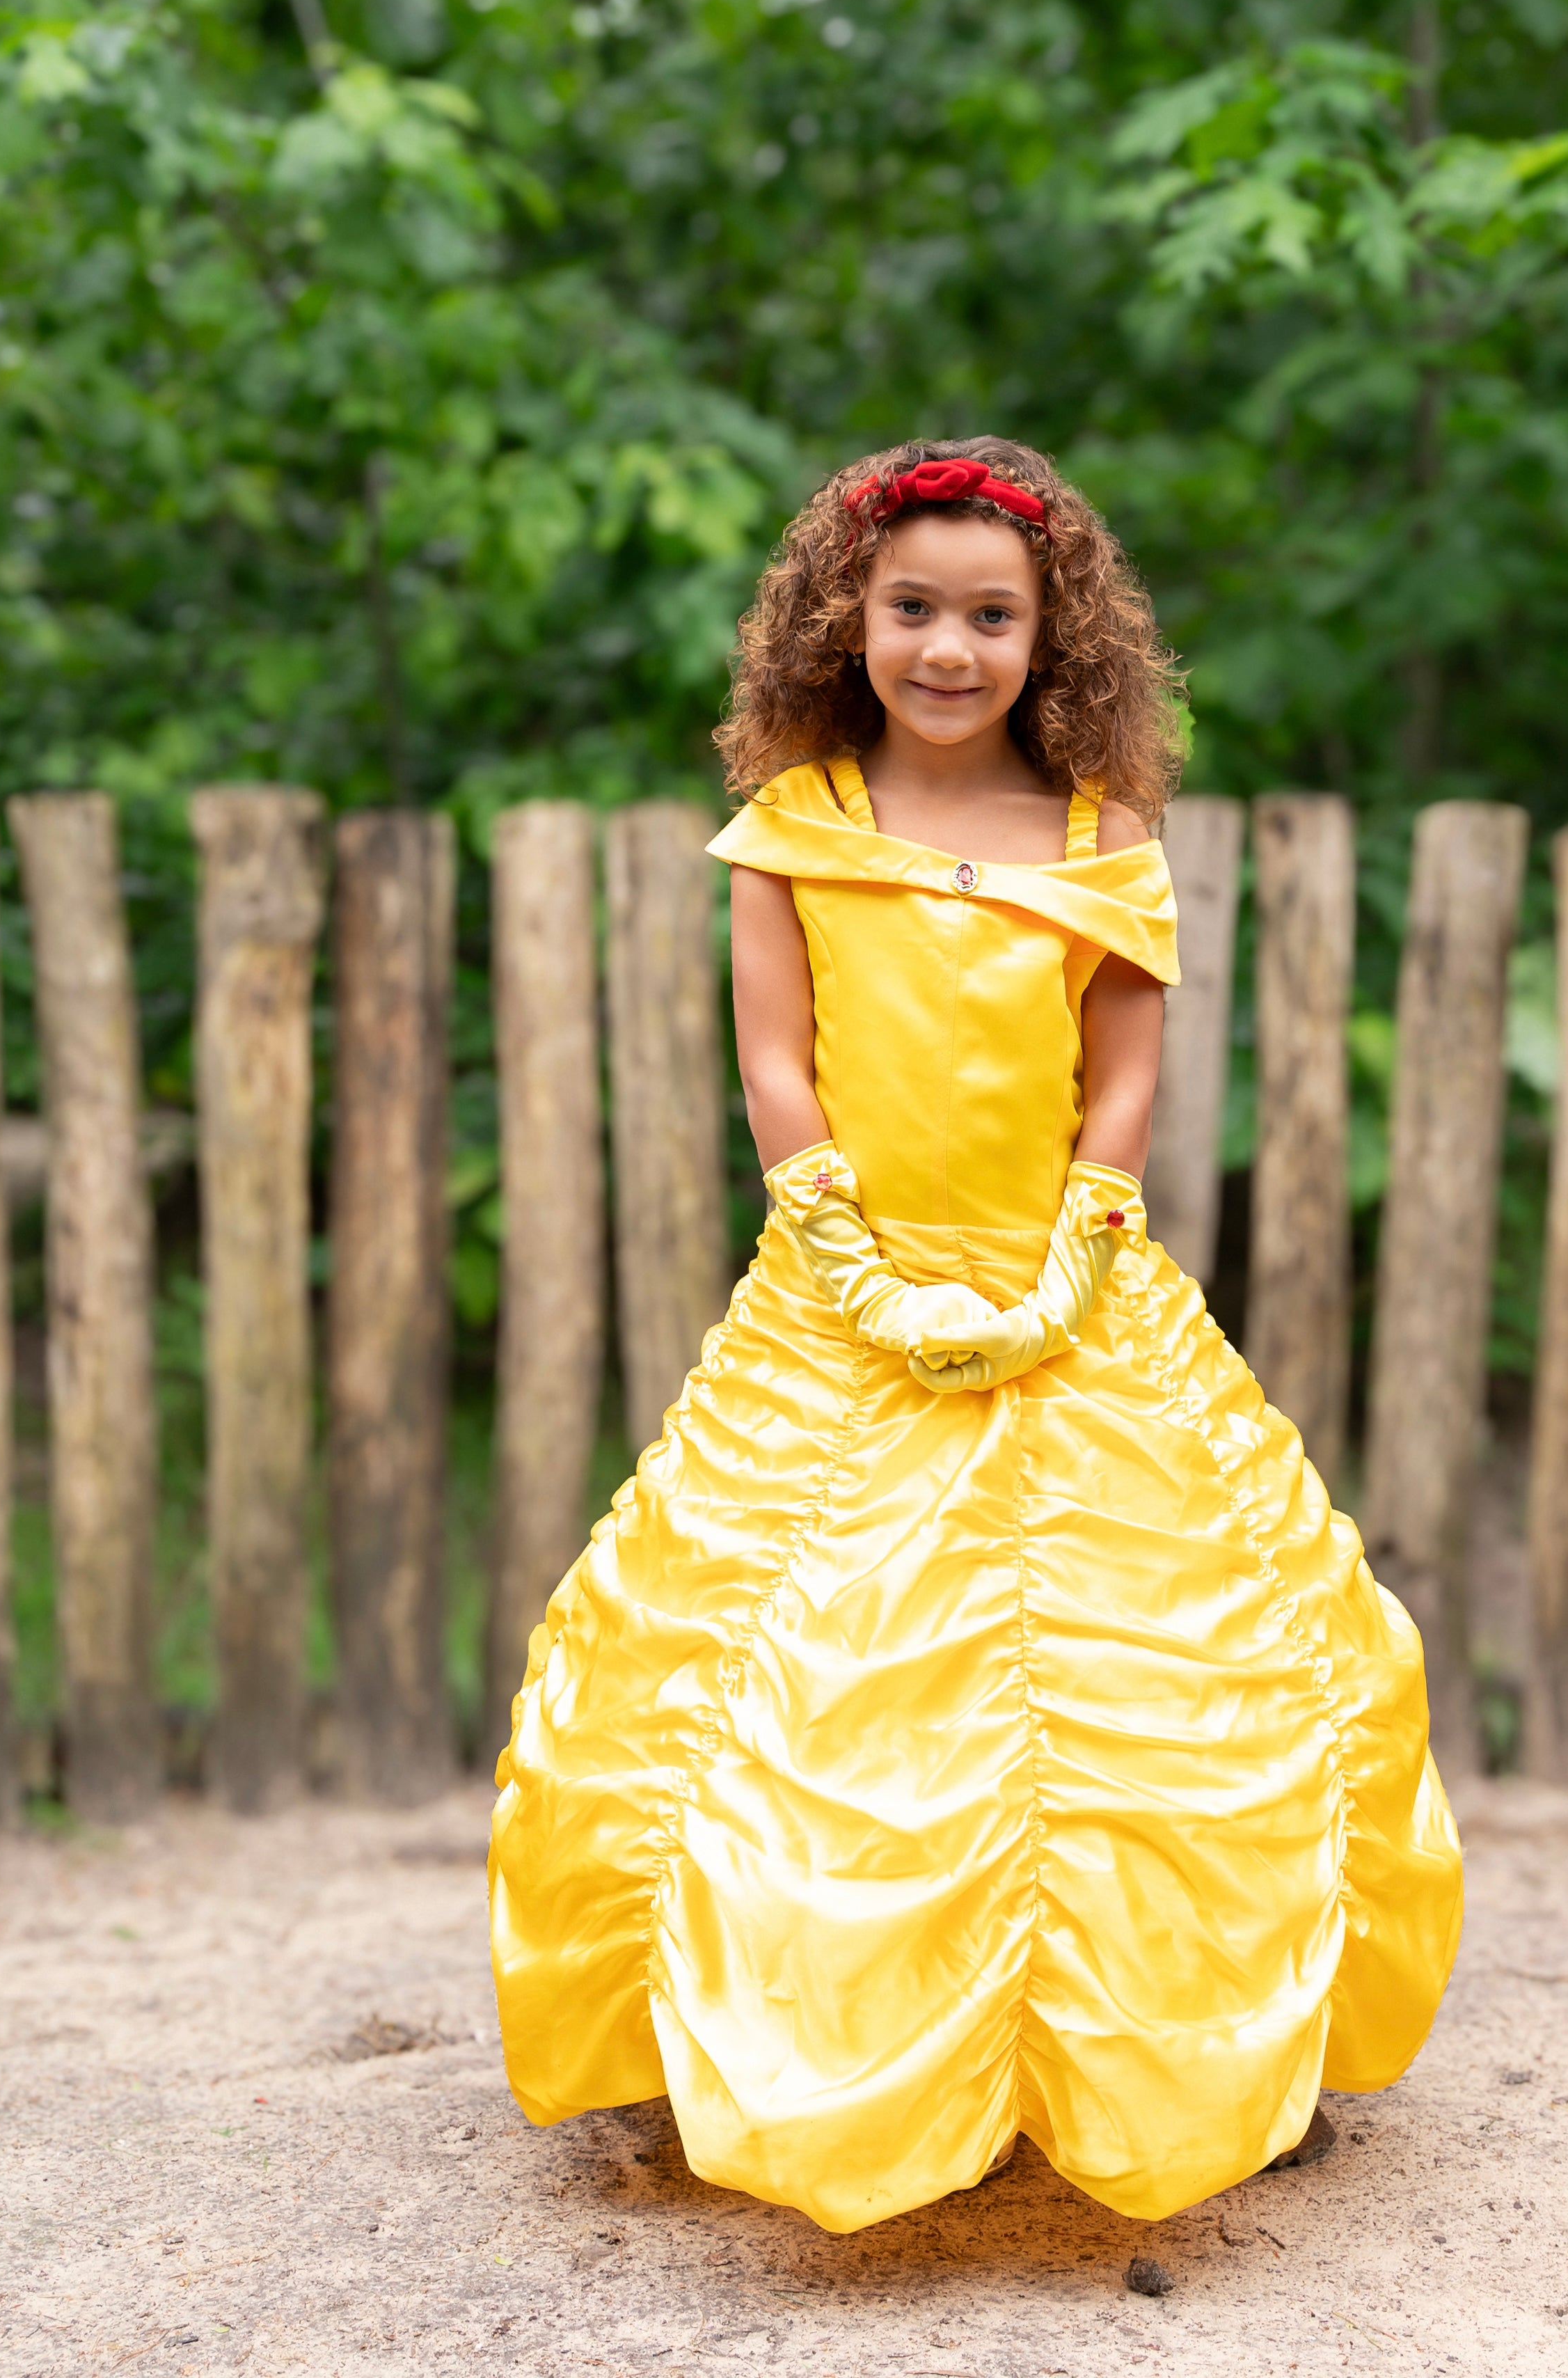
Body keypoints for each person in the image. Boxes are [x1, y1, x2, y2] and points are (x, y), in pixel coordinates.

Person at [487, 436, 1462, 2233]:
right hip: (843, 1289)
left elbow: (1128, 1086)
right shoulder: (797, 830)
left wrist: (1076, 1258)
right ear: (841, 621)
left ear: (1054, 640)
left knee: (1193, 1657)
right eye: (914, 608)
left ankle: (1197, 2054)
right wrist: (850, 1263)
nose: (949, 648)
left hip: (1068, 1291)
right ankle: (735, 2044)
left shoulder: (1110, 848)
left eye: (992, 617)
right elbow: (777, 1064)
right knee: (779, 1658)